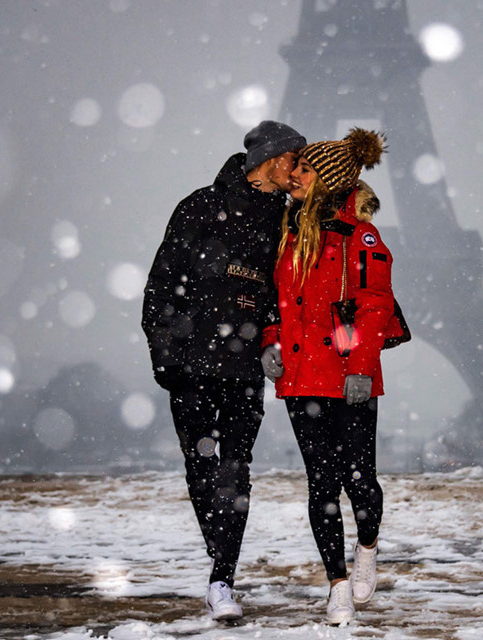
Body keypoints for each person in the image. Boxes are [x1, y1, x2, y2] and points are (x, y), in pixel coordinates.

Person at [141, 121, 305, 619]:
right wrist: (166, 356)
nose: (299, 170)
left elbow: (284, 294)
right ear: (273, 160)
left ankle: (221, 578)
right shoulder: (200, 208)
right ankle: (221, 561)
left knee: (235, 473)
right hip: (193, 367)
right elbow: (161, 283)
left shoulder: (288, 222)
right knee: (204, 469)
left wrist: (273, 343)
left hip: (243, 369)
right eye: (295, 160)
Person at [260, 128, 396, 624]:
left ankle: (367, 546)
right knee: (321, 483)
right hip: (301, 377)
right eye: (294, 170)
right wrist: (270, 341)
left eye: (304, 170)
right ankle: (337, 584)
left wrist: (361, 367)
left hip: (347, 375)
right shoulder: (288, 230)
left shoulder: (361, 236)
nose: (293, 176)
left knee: (360, 481)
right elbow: (277, 301)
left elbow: (376, 304)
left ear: (328, 180)